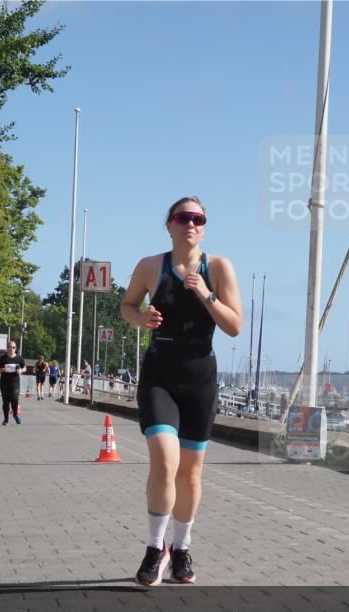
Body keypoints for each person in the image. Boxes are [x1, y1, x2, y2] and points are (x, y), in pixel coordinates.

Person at [120, 196, 242, 585]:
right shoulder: (150, 266)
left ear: (204, 226)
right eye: (182, 217)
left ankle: (182, 548)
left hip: (200, 379)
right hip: (160, 374)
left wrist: (206, 294)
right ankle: (155, 549)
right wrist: (141, 317)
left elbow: (234, 326)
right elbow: (125, 305)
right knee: (164, 458)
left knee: (190, 473)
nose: (191, 223)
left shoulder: (219, 267)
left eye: (198, 218)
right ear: (169, 224)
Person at [0, 341, 27, 425]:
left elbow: (24, 368)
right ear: (7, 348)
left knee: (15, 400)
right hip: (4, 383)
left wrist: (21, 370)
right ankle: (6, 419)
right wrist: (2, 370)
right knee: (5, 402)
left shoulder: (19, 358)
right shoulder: (2, 359)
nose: (11, 349)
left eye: (13, 347)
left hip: (15, 383)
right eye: (10, 347)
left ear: (16, 348)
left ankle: (15, 414)